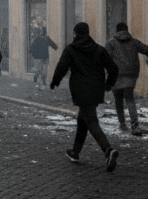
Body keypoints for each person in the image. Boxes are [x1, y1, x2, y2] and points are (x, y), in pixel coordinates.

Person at [51, 22, 120, 171]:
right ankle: (75, 152)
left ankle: (108, 150)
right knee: (83, 120)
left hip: (80, 91)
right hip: (96, 90)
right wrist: (108, 84)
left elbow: (62, 66)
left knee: (91, 121)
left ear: (75, 33)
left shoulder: (71, 49)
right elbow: (114, 69)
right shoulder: (99, 49)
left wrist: (55, 81)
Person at [104, 22, 148, 136]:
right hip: (130, 75)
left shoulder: (110, 43)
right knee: (129, 98)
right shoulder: (134, 42)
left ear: (116, 31)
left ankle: (122, 124)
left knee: (118, 99)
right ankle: (135, 125)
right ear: (127, 31)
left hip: (115, 75)